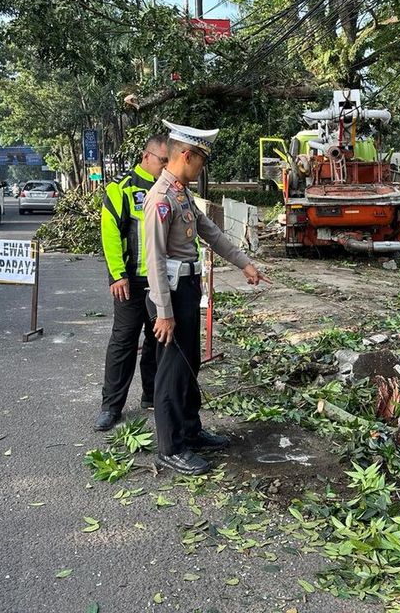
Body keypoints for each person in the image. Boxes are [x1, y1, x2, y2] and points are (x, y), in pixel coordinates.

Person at [145, 120, 270, 475]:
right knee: (170, 371)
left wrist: (245, 264)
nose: (202, 166)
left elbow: (211, 232)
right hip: (167, 296)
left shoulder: (181, 194)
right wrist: (164, 313)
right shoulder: (161, 199)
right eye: (201, 159)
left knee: (189, 364)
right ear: (186, 154)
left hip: (186, 290)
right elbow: (153, 260)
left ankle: (190, 430)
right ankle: (170, 447)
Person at [93, 135, 170, 432]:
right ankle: (111, 406)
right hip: (131, 282)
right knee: (124, 342)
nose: (165, 166)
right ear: (146, 156)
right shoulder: (121, 189)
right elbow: (110, 231)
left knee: (157, 340)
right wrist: (117, 274)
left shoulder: (169, 189)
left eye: (168, 162)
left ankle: (151, 396)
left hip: (161, 281)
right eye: (162, 160)